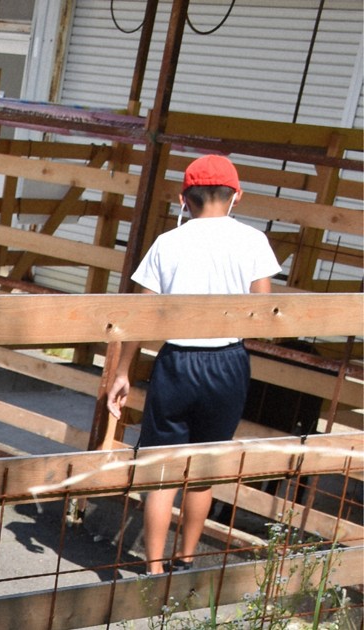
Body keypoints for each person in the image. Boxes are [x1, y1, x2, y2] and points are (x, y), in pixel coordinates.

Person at [106, 154, 281, 575]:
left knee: (163, 470)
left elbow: (140, 316)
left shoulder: (168, 242)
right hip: (227, 361)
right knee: (204, 469)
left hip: (177, 361)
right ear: (237, 195)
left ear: (184, 198)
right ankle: (186, 562)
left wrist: (123, 371)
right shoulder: (253, 241)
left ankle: (152, 571)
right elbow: (263, 309)